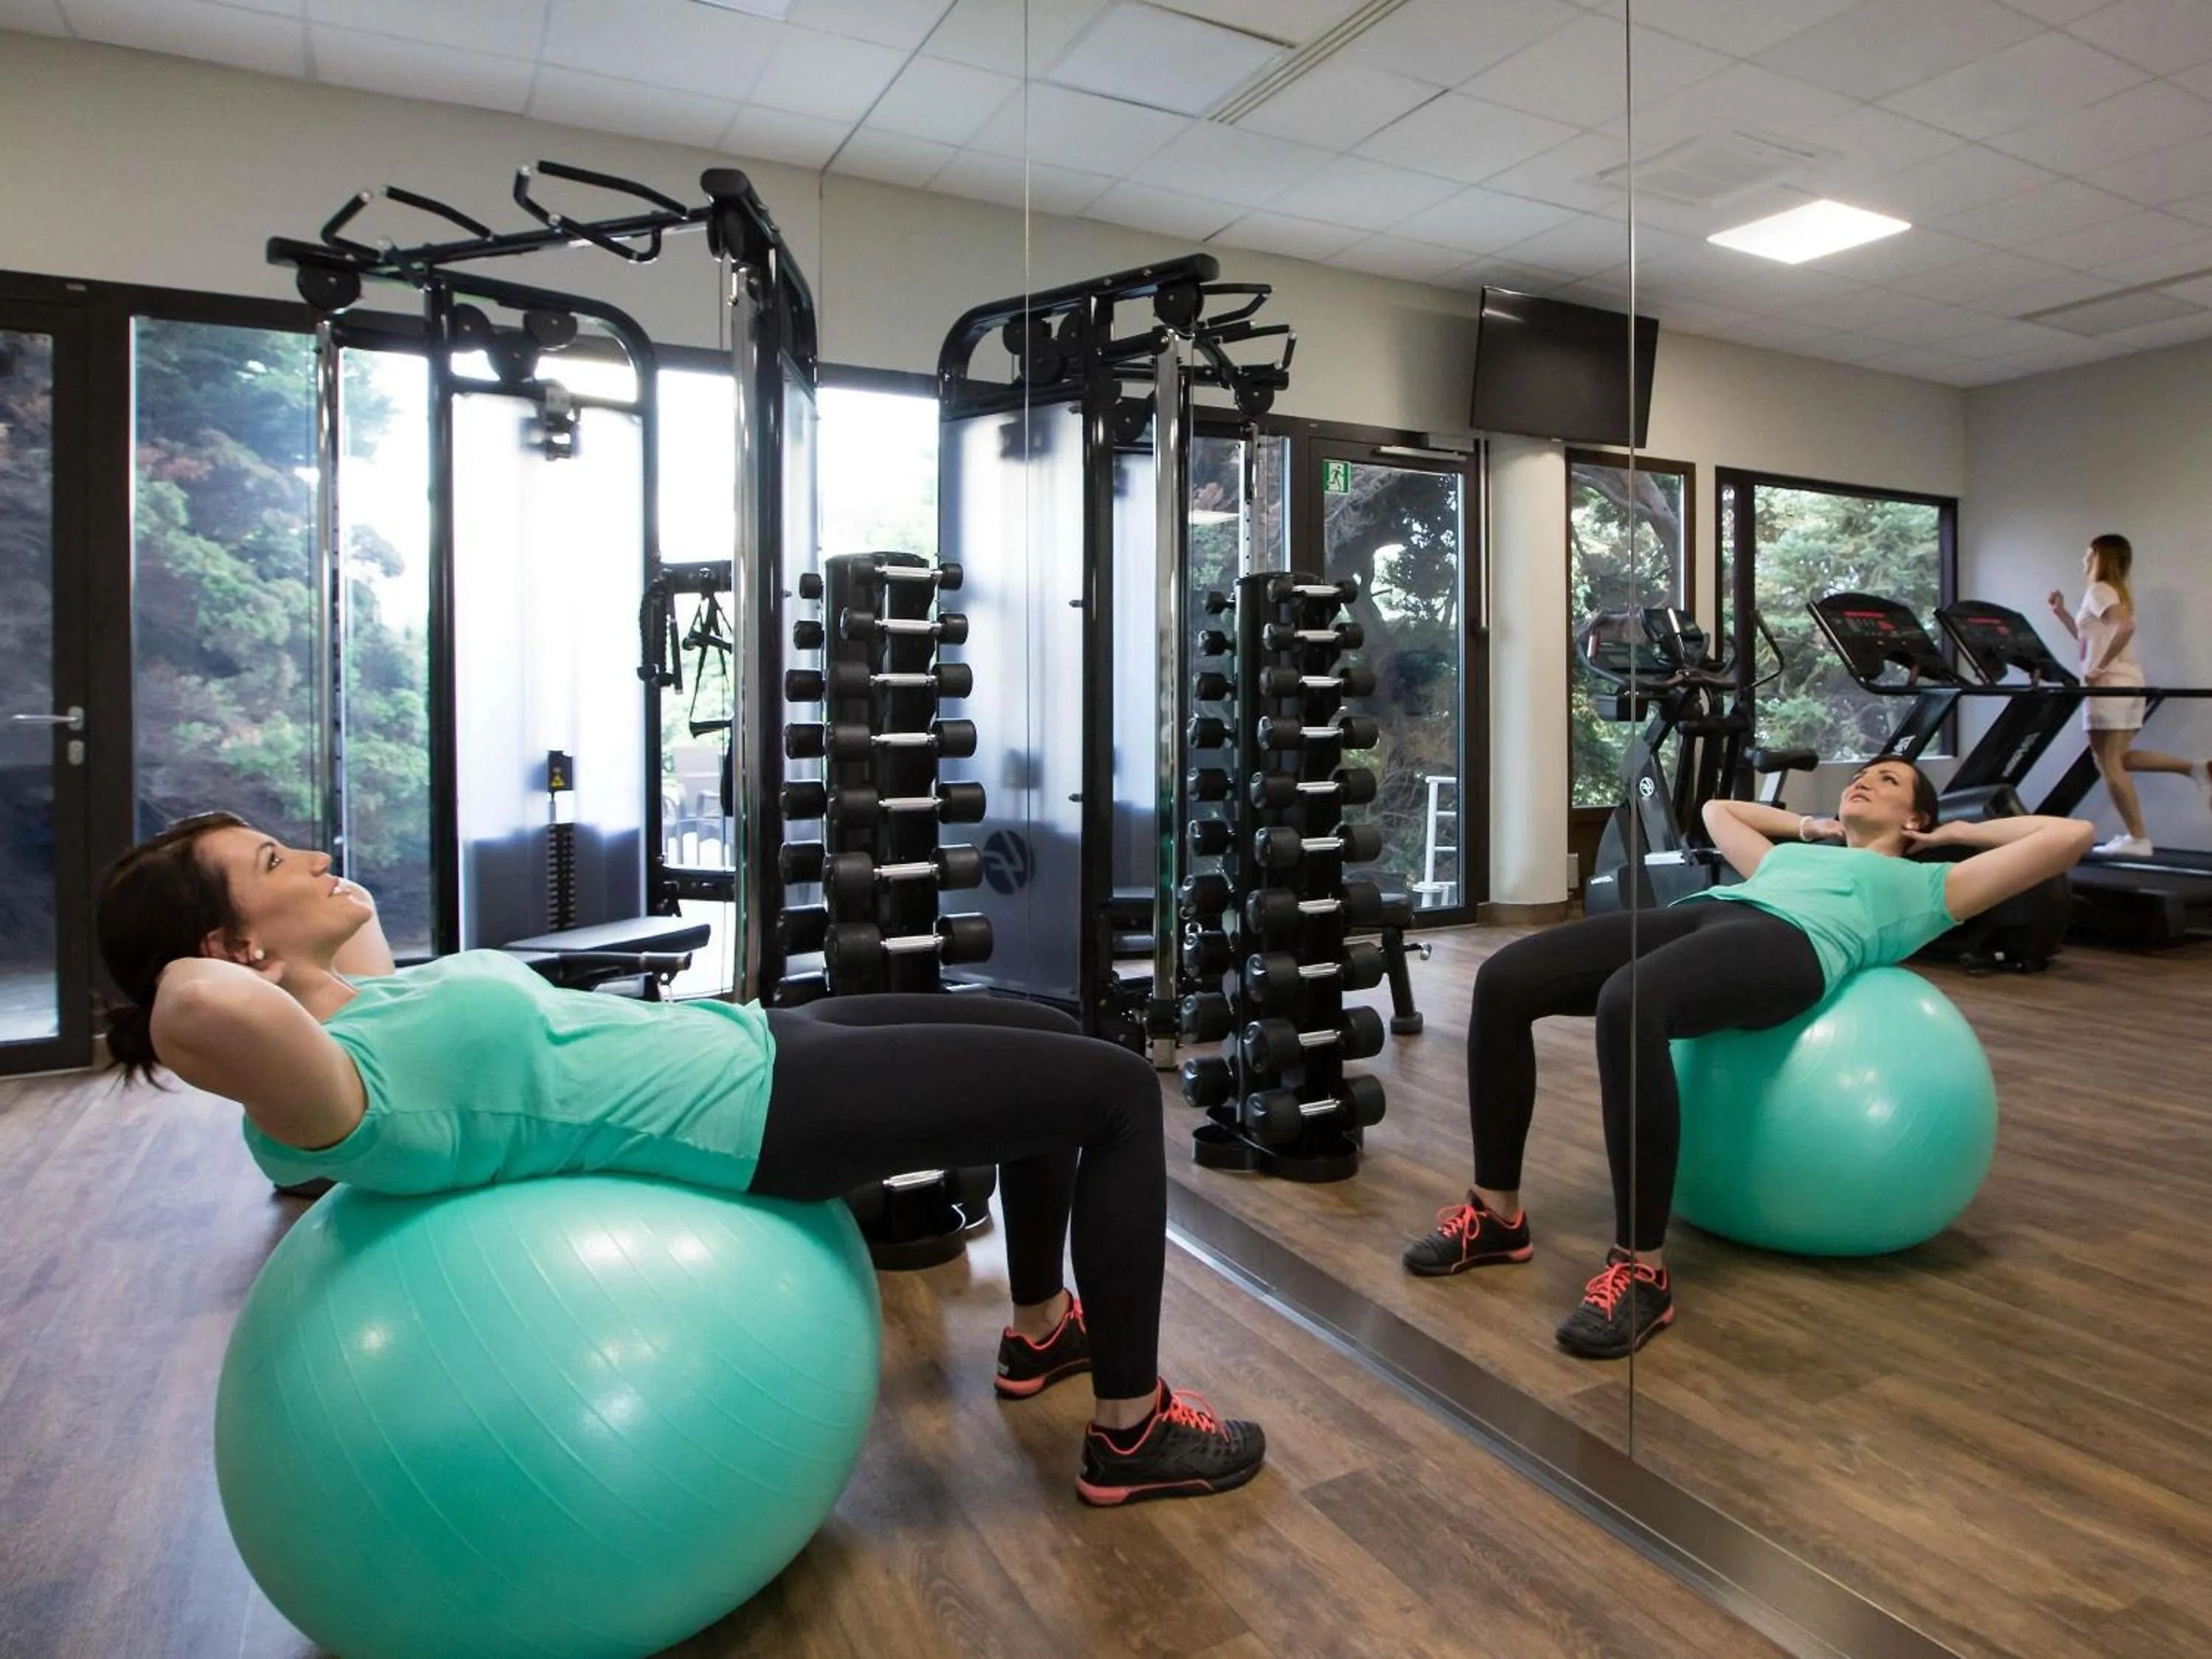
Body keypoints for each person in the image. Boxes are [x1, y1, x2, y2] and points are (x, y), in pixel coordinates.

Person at [96, 812, 1264, 1507]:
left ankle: (1044, 1326)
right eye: (271, 859)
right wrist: (205, 966)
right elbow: (194, 1010)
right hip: (755, 1118)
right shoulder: (331, 1089)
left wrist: (298, 926)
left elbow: (303, 968)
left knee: (1056, 1038)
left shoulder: (367, 997)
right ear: (229, 944)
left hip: (750, 1039)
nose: (311, 852)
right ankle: (1132, 1429)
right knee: (1115, 1092)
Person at [1402, 761, 2093, 1359]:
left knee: (1630, 1002)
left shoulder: (1930, 887)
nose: (1863, 781)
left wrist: (1952, 834)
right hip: (1713, 912)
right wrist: (1813, 828)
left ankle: (1642, 1275)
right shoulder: (1789, 858)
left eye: (1886, 781)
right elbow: (1717, 809)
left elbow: (2070, 836)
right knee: (1504, 979)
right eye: (1861, 774)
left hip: (1793, 945)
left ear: (1914, 816)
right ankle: (1497, 1217)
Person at [2046, 532, 2212, 858]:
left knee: (2108, 763)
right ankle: (2196, 768)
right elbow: (2090, 639)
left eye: (2086, 553)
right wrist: (2062, 613)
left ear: (2096, 555)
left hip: (2110, 687)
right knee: (2117, 759)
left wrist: (2099, 668)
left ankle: (2138, 839)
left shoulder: (2098, 589)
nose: (2083, 560)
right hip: (2127, 683)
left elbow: (2125, 627)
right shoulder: (2111, 591)